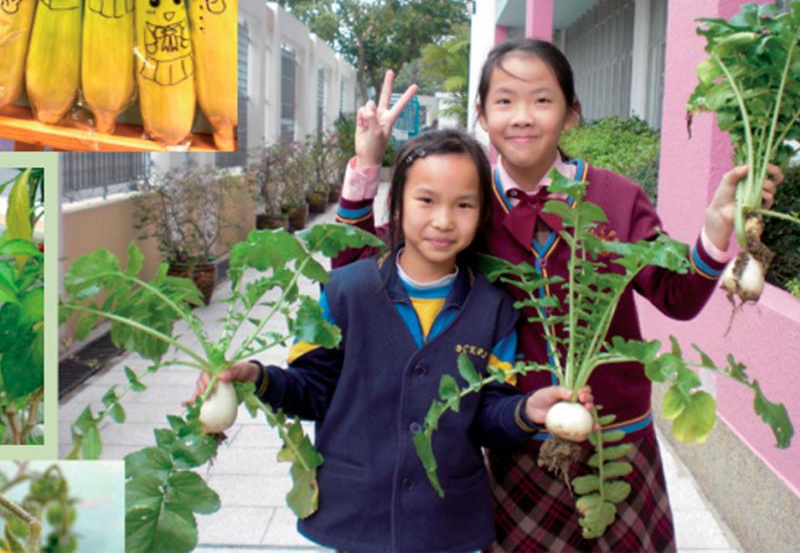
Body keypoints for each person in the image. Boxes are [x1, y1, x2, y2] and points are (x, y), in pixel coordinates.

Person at [333, 39, 783, 551]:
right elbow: (358, 276)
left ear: (571, 114)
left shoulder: (616, 197)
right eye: (505, 101)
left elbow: (676, 296)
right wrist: (366, 164)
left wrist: (715, 228)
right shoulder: (465, 204)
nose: (522, 117)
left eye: (542, 100)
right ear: (482, 114)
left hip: (617, 444)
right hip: (516, 442)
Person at [191, 129, 593, 552]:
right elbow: (312, 391)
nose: (444, 220)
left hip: (446, 523)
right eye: (427, 200)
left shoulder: (495, 309)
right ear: (397, 203)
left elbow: (485, 417)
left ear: (482, 215)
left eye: (464, 205)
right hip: (355, 517)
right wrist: (255, 377)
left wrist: (527, 410)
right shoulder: (342, 292)